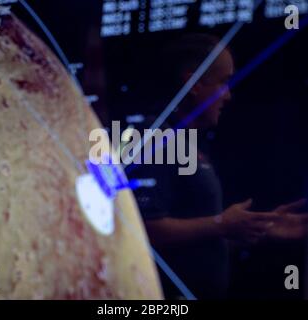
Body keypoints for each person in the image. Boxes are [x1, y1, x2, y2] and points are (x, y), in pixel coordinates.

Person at [131, 34, 308, 299]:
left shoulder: (187, 144)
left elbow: (196, 239)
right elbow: (144, 230)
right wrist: (220, 224)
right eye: (223, 82)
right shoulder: (154, 138)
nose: (228, 95)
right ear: (193, 83)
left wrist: (258, 228)